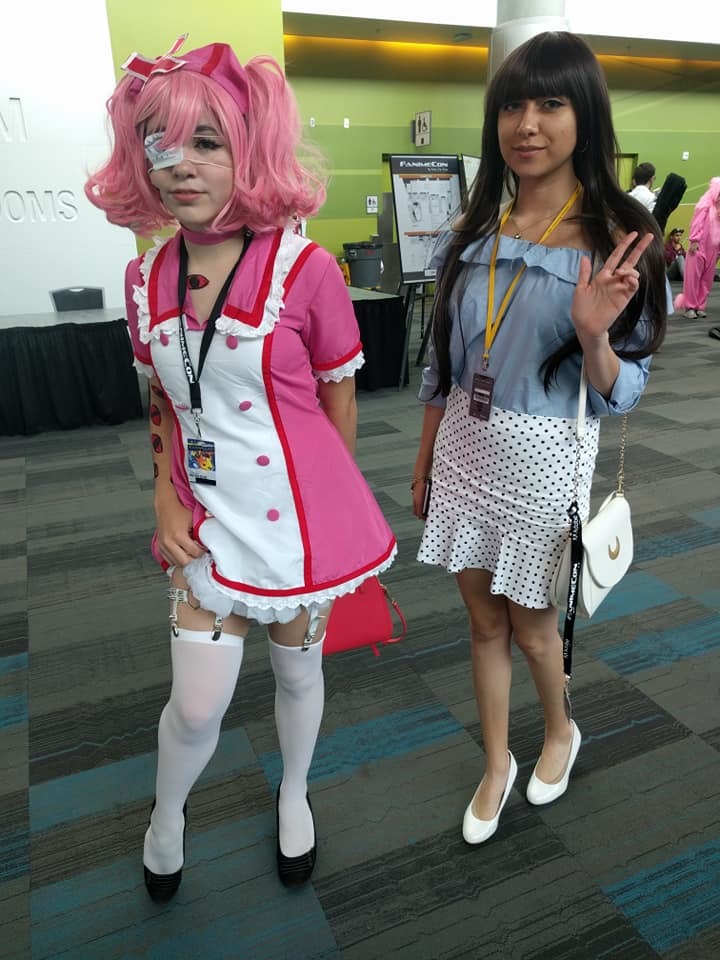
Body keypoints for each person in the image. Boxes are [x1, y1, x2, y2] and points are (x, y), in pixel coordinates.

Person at [85, 37, 396, 899]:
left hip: (297, 524)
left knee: (298, 670)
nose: (180, 164)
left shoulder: (307, 270)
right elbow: (163, 398)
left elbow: (338, 403)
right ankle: (166, 816)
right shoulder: (146, 277)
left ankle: (293, 794)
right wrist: (163, 495)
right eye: (161, 143)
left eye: (207, 142)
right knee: (196, 706)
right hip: (206, 522)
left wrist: (331, 518)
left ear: (250, 150)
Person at [411, 31, 667, 846]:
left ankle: (560, 729)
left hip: (546, 462)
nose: (527, 124)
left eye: (551, 104)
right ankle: (496, 762)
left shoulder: (616, 241)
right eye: (513, 106)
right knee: (481, 623)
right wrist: (423, 459)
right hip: (464, 447)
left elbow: (624, 393)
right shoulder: (470, 231)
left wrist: (594, 336)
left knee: (531, 626)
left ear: (584, 116)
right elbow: (443, 363)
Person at [674, 178, 720, 319]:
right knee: (693, 277)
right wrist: (694, 240)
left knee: (707, 279)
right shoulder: (705, 204)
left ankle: (700, 306)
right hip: (699, 246)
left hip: (714, 248)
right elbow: (697, 222)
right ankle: (690, 306)